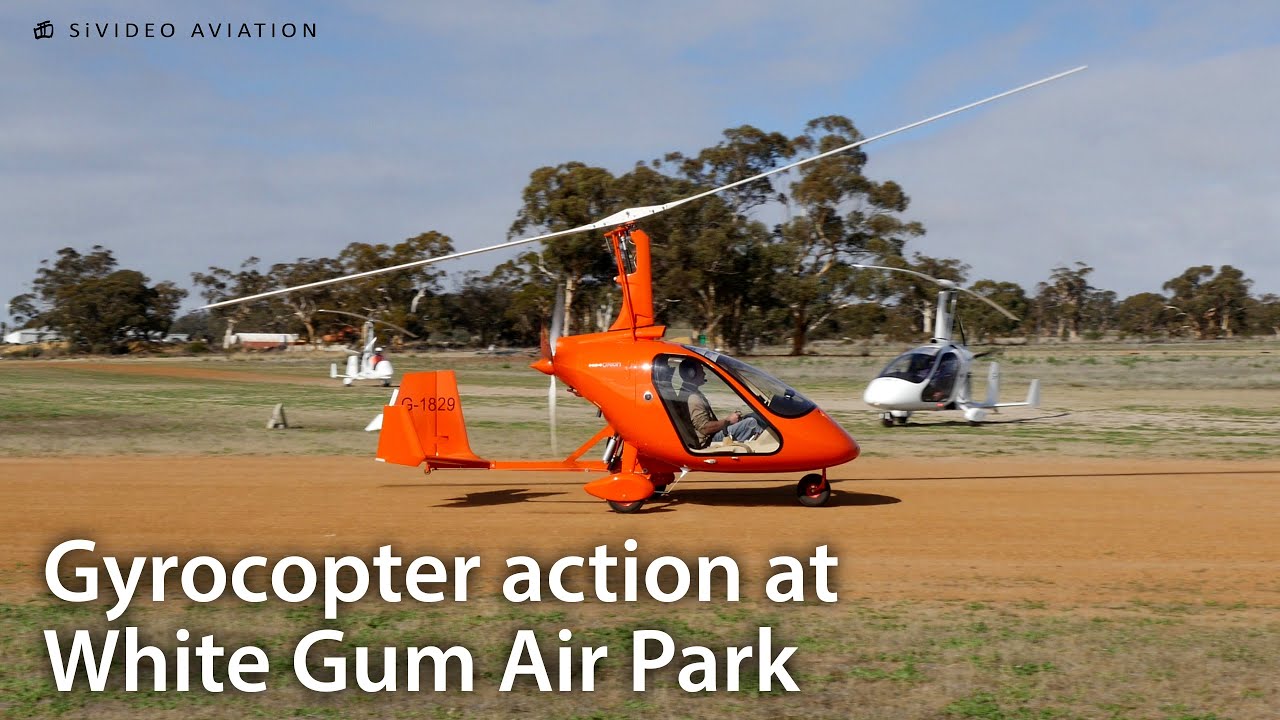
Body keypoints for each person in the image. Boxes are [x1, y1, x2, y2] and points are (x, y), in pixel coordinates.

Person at [677, 358, 762, 448]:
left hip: (712, 435)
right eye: (701, 371)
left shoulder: (688, 392)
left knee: (753, 416)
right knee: (751, 423)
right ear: (691, 373)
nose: (704, 374)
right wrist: (728, 420)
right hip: (709, 441)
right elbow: (705, 429)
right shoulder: (693, 398)